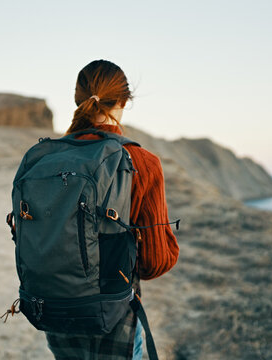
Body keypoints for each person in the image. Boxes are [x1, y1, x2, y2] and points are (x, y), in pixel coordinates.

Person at [45, 59, 179, 360]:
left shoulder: (47, 159)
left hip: (55, 312)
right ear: (123, 100)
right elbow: (155, 262)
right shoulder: (139, 161)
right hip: (114, 316)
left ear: (77, 99)